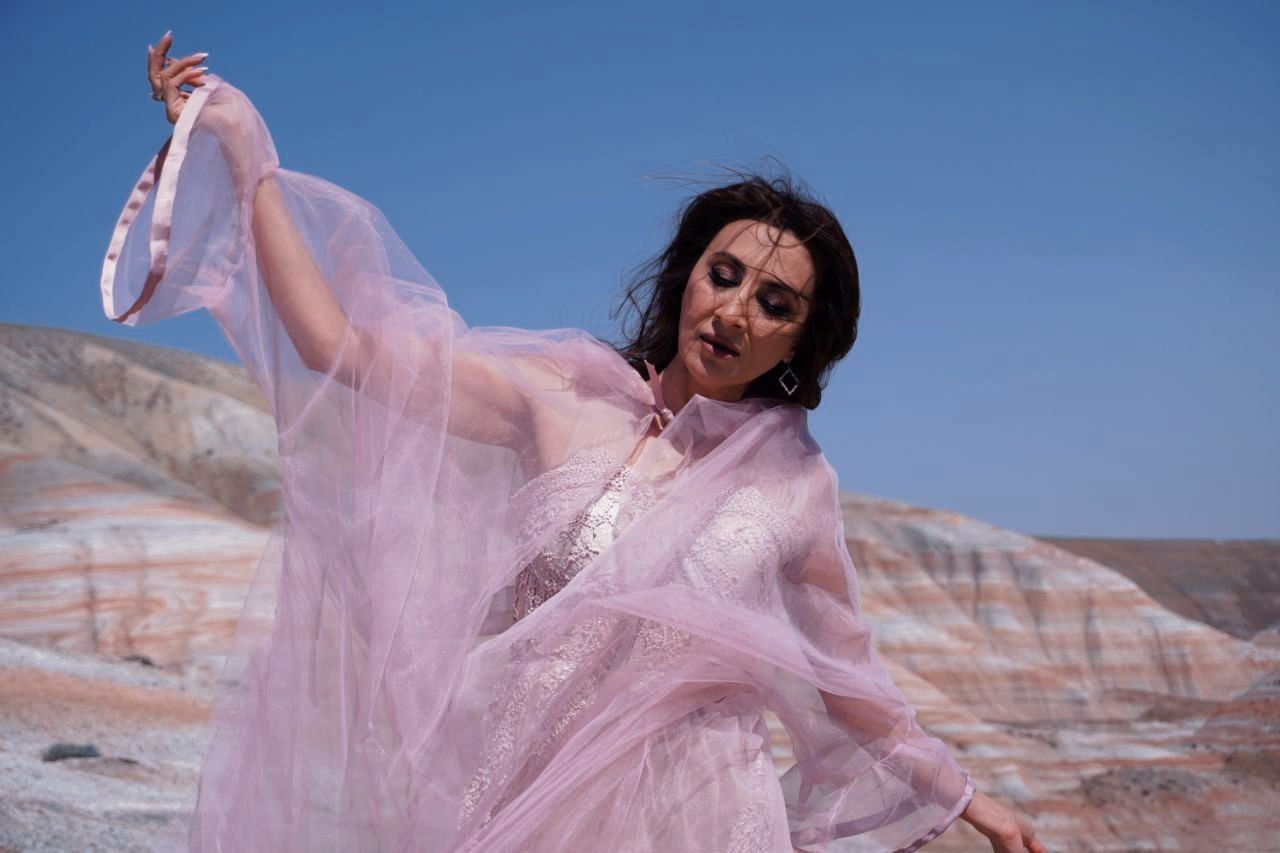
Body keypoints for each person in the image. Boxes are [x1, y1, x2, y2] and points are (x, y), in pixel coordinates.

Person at [105, 29, 1044, 853]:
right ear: (686, 277)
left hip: (705, 815)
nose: (735, 313)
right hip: (530, 799)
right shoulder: (557, 399)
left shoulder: (794, 484)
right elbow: (336, 346)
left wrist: (977, 803)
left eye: (775, 303)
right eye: (723, 275)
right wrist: (249, 159)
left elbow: (853, 686)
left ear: (801, 341)